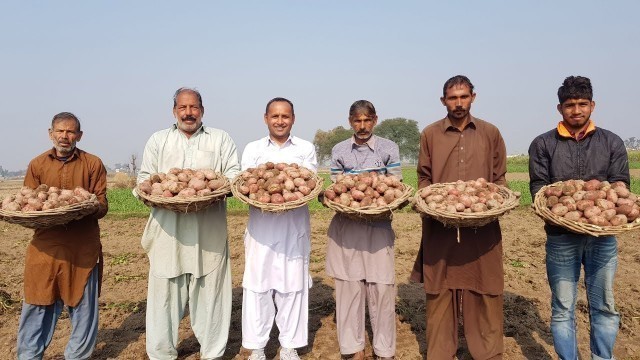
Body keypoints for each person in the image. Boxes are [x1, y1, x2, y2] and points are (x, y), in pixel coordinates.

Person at [528, 76, 628, 360]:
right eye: (570, 105)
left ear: (592, 105)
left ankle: (602, 357)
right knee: (562, 308)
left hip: (603, 238)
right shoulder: (543, 144)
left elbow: (621, 186)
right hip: (561, 239)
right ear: (560, 108)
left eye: (582, 104)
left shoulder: (612, 142)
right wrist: (563, 207)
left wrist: (606, 204)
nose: (576, 110)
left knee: (605, 306)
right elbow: (538, 190)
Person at [137, 87, 240, 360]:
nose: (188, 113)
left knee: (211, 295)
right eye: (183, 108)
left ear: (202, 110)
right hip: (168, 231)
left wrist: (214, 188)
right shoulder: (158, 140)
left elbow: (233, 175)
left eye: (193, 107)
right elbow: (144, 179)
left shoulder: (220, 139)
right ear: (174, 111)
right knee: (164, 297)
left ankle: (212, 353)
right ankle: (161, 353)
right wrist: (150, 192)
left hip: (208, 231)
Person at [410, 75, 507, 359]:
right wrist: (430, 203)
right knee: (439, 291)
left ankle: (487, 353)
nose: (459, 103)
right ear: (444, 101)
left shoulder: (490, 132)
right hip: (440, 226)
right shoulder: (430, 134)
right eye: (453, 98)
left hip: (483, 227)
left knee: (485, 288)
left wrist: (492, 202)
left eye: (464, 96)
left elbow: (499, 178)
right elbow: (424, 178)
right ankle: (441, 353)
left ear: (473, 97)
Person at [17, 112, 108, 359]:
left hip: (82, 249)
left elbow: (102, 204)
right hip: (45, 248)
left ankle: (77, 356)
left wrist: (89, 205)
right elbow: (28, 201)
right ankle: (28, 356)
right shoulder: (37, 164)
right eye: (60, 131)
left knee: (83, 309)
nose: (65, 137)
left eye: (70, 132)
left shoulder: (93, 163)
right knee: (36, 305)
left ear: (79, 135)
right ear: (50, 133)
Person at [240, 97, 317, 360]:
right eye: (275, 116)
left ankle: (289, 346)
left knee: (292, 286)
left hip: (293, 228)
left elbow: (309, 182)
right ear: (266, 118)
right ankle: (257, 346)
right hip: (261, 229)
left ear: (293, 119)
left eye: (285, 116)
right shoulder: (252, 149)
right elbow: (245, 183)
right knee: (257, 286)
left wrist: (289, 189)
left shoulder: (305, 148)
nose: (280, 121)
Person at [325, 100, 401, 360]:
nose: (362, 126)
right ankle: (352, 348)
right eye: (357, 121)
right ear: (350, 121)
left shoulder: (388, 149)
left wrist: (378, 193)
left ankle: (384, 349)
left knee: (382, 287)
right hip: (346, 226)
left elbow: (395, 187)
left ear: (375, 120)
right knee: (348, 287)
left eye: (367, 120)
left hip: (378, 225)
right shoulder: (339, 150)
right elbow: (336, 188)